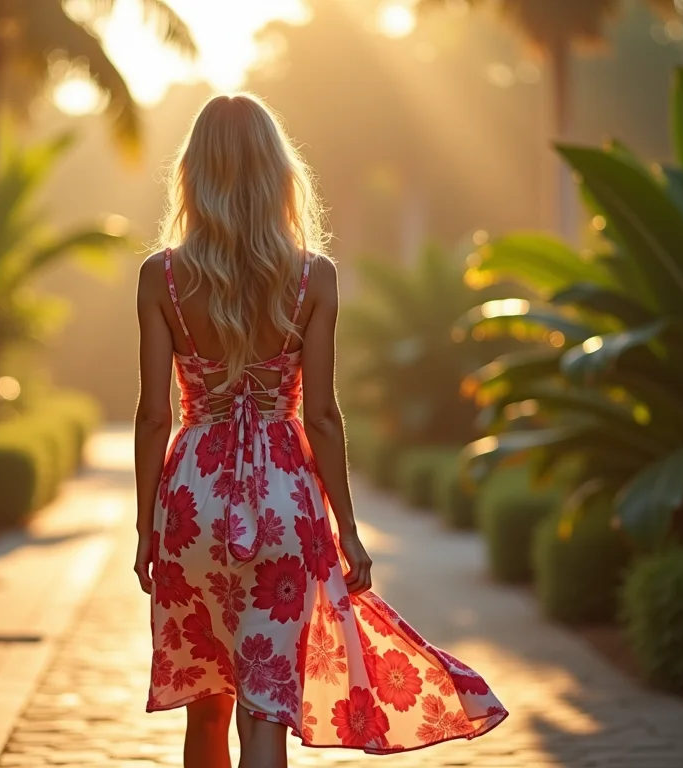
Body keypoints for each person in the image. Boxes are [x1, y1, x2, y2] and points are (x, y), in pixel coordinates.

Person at [133, 93, 507, 768]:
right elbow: (323, 417)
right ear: (279, 173)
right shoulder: (314, 276)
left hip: (191, 507)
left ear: (193, 173)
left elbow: (155, 414)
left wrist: (144, 530)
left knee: (206, 706)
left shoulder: (160, 275)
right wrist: (350, 528)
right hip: (283, 505)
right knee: (266, 705)